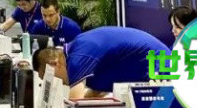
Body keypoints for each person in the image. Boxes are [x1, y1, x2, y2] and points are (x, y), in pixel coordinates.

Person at [39, 26, 170, 99]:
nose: (53, 82)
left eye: (47, 76)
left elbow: (76, 103)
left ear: (54, 63)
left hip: (162, 62)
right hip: (153, 63)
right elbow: (95, 93)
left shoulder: (77, 59)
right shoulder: (77, 50)